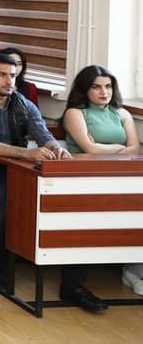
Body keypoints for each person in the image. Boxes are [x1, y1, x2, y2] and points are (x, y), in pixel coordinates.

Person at [0, 53, 102, 310]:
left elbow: (43, 134)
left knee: (68, 206)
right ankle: (5, 269)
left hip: (18, 169)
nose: (9, 81)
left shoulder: (23, 103)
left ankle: (73, 285)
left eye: (13, 75)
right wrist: (28, 153)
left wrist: (57, 149)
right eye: (2, 75)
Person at [60, 67, 143, 296]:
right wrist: (119, 148)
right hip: (85, 178)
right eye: (96, 87)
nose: (104, 92)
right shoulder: (75, 113)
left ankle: (135, 269)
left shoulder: (123, 113)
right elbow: (89, 148)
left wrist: (103, 148)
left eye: (108, 86)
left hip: (121, 177)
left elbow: (135, 149)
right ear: (85, 89)